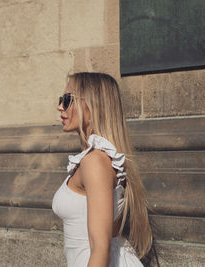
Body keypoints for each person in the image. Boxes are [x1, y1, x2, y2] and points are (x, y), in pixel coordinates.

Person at [52, 72, 153, 267]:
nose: (60, 106)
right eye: (61, 99)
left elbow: (101, 247)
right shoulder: (96, 159)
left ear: (92, 105)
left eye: (67, 100)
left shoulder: (95, 161)